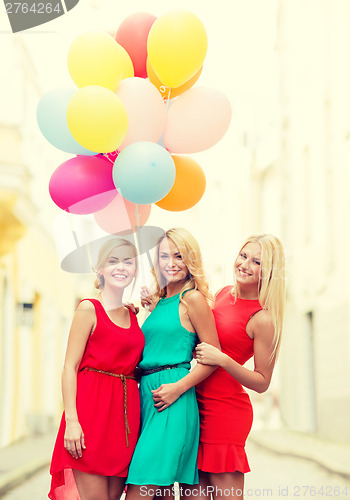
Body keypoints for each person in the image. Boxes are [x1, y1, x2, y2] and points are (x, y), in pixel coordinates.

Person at [125, 228, 221, 500]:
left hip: (172, 398)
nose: (171, 263)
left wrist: (177, 388)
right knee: (161, 491)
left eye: (179, 256)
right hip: (147, 397)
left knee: (141, 486)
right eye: (164, 256)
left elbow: (213, 356)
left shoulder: (192, 298)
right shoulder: (161, 301)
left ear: (190, 259)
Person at [49, 238, 145, 500]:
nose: (121, 267)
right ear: (100, 269)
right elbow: (69, 367)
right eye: (113, 261)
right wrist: (72, 421)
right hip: (90, 418)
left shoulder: (133, 314)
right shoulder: (89, 308)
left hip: (124, 423)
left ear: (136, 269)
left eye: (128, 261)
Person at [192, 233, 286, 500]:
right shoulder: (221, 294)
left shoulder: (263, 318)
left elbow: (262, 381)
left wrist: (222, 359)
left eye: (256, 261)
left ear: (268, 272)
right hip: (195, 403)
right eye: (243, 256)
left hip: (225, 412)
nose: (245, 264)